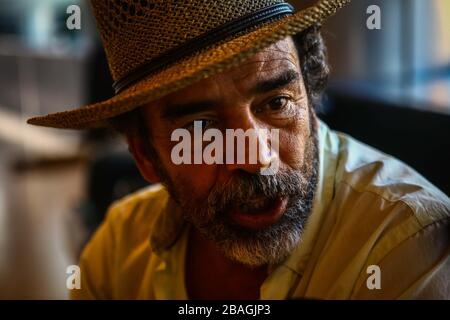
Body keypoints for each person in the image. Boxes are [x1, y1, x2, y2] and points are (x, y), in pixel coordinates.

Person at [28, 0, 450, 299]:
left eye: (277, 103)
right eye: (200, 128)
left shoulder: (405, 248)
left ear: (310, 91)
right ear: (144, 156)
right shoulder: (118, 251)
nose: (257, 158)